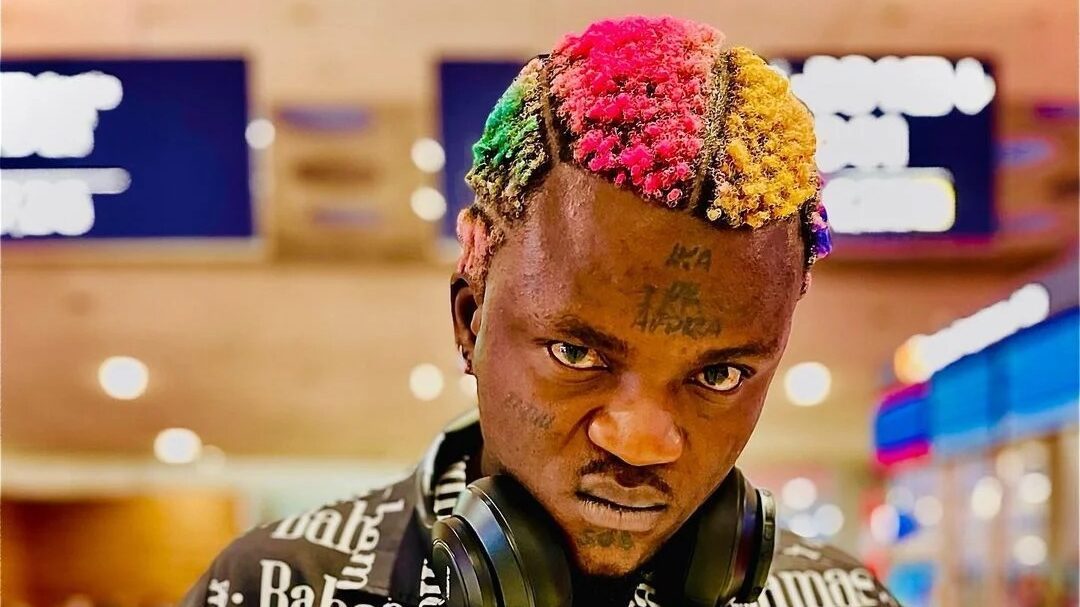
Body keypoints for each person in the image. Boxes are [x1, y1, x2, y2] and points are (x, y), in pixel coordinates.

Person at [182, 15, 900, 607]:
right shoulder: (275, 588)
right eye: (578, 354)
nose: (642, 441)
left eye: (720, 375)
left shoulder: (840, 598)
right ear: (470, 320)